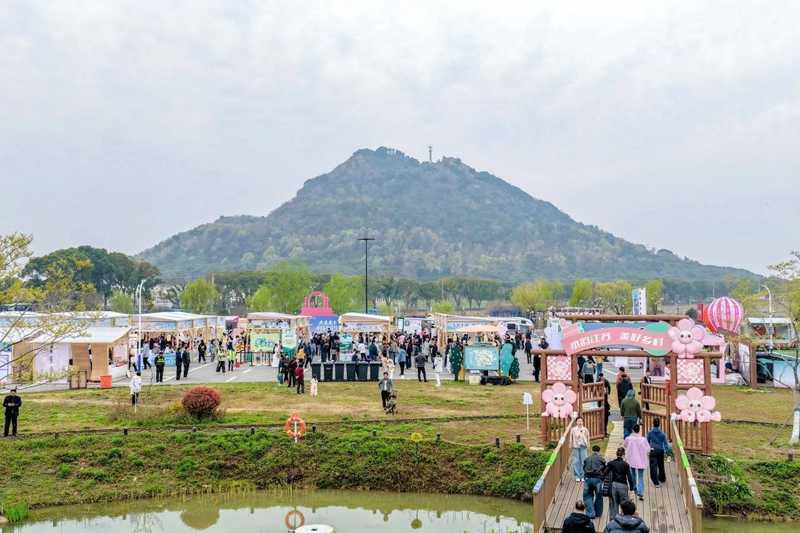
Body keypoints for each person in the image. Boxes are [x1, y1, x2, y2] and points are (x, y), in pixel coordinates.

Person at [603, 447, 635, 521]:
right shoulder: (626, 464)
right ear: (624, 455)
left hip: (614, 485)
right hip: (623, 485)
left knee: (614, 504)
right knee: (624, 504)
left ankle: (613, 520)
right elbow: (630, 477)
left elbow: (604, 473)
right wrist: (632, 488)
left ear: (616, 454)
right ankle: (624, 520)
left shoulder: (611, 463)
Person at [624, 424, 650, 501]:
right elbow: (648, 449)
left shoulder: (628, 438)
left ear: (632, 430)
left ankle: (634, 488)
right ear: (639, 430)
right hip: (641, 460)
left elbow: (625, 445)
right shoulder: (643, 439)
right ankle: (641, 492)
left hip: (631, 459)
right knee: (641, 477)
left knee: (633, 475)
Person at [583, 445, 606, 519]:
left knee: (587, 496)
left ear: (592, 451)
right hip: (598, 480)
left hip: (588, 479)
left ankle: (591, 513)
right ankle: (598, 513)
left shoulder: (587, 459)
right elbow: (604, 470)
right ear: (599, 451)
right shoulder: (601, 459)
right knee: (599, 496)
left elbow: (584, 468)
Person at [646, 418, 670, 486]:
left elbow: (647, 442)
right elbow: (665, 444)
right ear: (659, 424)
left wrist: (648, 449)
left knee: (653, 466)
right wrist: (666, 451)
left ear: (653, 423)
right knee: (661, 465)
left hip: (653, 450)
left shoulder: (650, 433)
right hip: (660, 451)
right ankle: (662, 478)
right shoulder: (662, 434)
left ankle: (656, 482)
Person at [570, 417, 590, 482]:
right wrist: (570, 444)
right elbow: (571, 438)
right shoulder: (573, 429)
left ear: (583, 422)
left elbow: (588, 438)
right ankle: (577, 476)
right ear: (576, 422)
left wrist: (588, 445)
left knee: (584, 461)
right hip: (575, 446)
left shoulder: (585, 429)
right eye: (578, 421)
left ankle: (583, 475)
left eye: (581, 421)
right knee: (576, 461)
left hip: (583, 446)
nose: (580, 422)